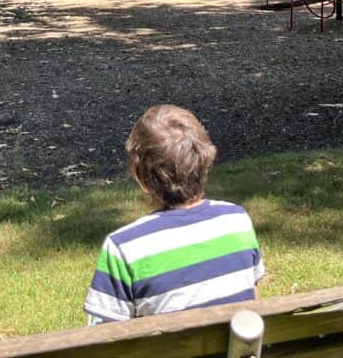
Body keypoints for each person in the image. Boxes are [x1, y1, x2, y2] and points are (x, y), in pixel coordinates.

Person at [83, 105, 265, 323]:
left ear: (139, 175)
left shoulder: (123, 247)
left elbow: (106, 336)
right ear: (206, 160)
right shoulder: (236, 221)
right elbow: (252, 310)